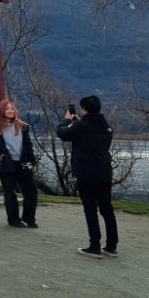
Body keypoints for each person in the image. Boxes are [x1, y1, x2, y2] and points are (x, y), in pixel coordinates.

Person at [57, 95, 118, 259]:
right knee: (107, 209)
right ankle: (111, 246)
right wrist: (77, 123)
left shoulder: (82, 126)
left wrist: (66, 120)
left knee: (90, 209)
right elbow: (90, 136)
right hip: (104, 171)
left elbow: (63, 133)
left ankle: (94, 246)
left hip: (87, 173)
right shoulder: (107, 128)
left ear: (84, 108)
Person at [0, 99, 38, 228]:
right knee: (10, 193)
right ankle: (14, 220)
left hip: (23, 164)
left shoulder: (23, 127)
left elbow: (28, 145)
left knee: (31, 192)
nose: (10, 111)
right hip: (7, 164)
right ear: (2, 111)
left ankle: (29, 219)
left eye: (12, 108)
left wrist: (32, 159)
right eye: (7, 109)